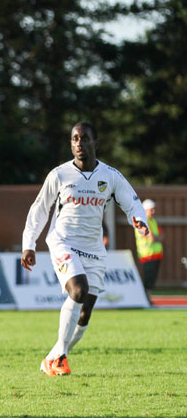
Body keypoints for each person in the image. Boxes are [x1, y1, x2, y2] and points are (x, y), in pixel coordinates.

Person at [21, 122, 148, 376]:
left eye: (84, 138)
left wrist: (138, 219)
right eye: (75, 139)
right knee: (78, 291)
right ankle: (59, 359)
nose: (79, 143)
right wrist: (29, 244)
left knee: (85, 313)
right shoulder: (59, 175)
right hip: (63, 242)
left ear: (95, 143)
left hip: (94, 249)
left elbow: (131, 201)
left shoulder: (110, 176)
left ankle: (55, 356)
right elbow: (39, 209)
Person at [135, 199, 163, 295]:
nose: (153, 211)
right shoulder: (142, 222)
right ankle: (145, 298)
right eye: (151, 209)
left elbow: (162, 236)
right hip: (147, 255)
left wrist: (156, 237)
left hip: (155, 254)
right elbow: (151, 237)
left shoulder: (153, 221)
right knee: (148, 279)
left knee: (152, 279)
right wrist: (156, 237)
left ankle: (148, 298)